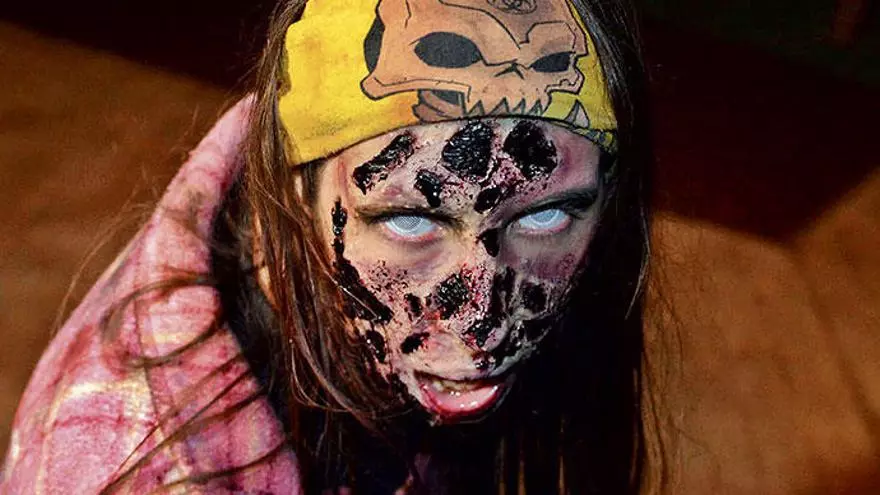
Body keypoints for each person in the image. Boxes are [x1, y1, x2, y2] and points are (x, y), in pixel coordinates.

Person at [0, 0, 657, 493]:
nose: (481, 321)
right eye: (409, 222)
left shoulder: (319, 150)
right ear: (294, 190)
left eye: (544, 217)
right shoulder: (144, 468)